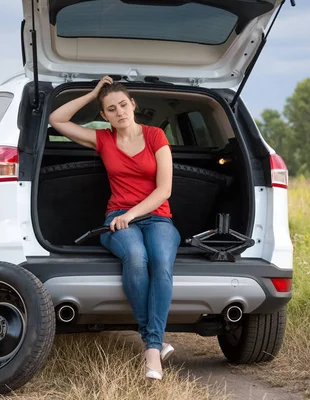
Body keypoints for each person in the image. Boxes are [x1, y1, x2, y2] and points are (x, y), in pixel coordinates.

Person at [48, 76, 181, 380]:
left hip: (157, 216)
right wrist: (93, 93)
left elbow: (164, 191)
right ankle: (153, 347)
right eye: (110, 108)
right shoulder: (103, 140)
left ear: (133, 105)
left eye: (123, 104)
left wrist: (133, 215)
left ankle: (151, 342)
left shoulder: (156, 136)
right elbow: (57, 119)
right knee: (136, 257)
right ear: (104, 116)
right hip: (117, 216)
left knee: (161, 262)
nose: (119, 112)